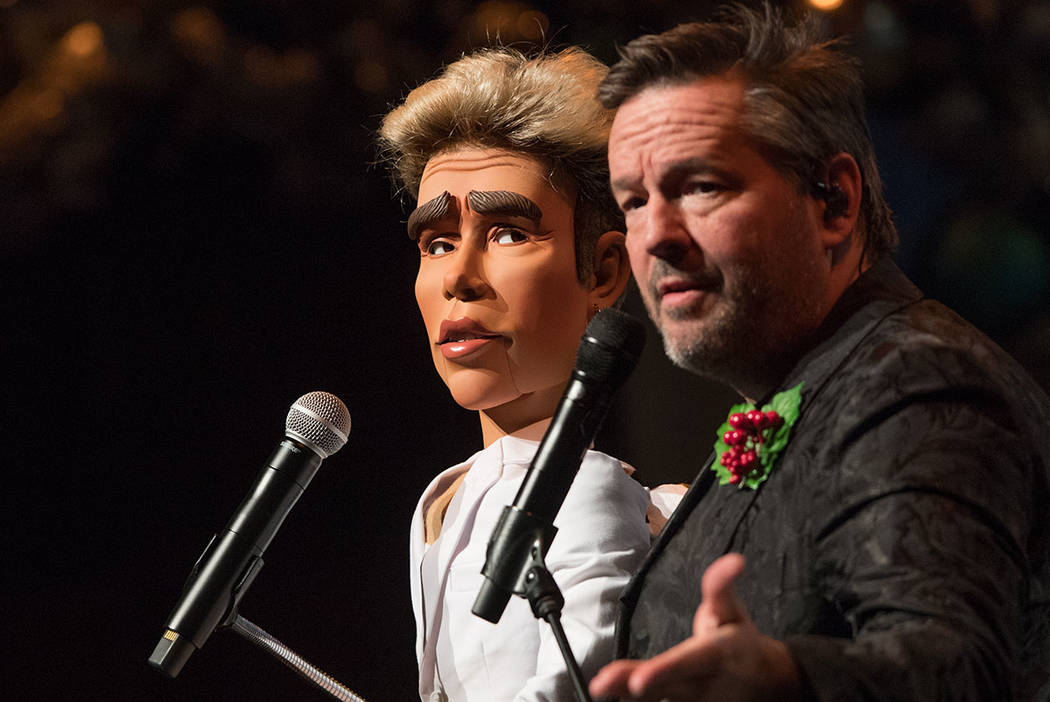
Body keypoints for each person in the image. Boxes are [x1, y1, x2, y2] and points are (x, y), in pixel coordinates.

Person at [587, 3, 1050, 701]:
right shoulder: (820, 382)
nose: (655, 235)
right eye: (634, 200)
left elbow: (952, 668)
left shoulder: (913, 382)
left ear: (833, 202)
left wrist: (786, 680)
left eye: (701, 186)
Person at [377, 47, 654, 701]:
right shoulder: (444, 499)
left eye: (506, 233)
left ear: (604, 272)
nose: (459, 278)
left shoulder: (588, 497)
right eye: (437, 243)